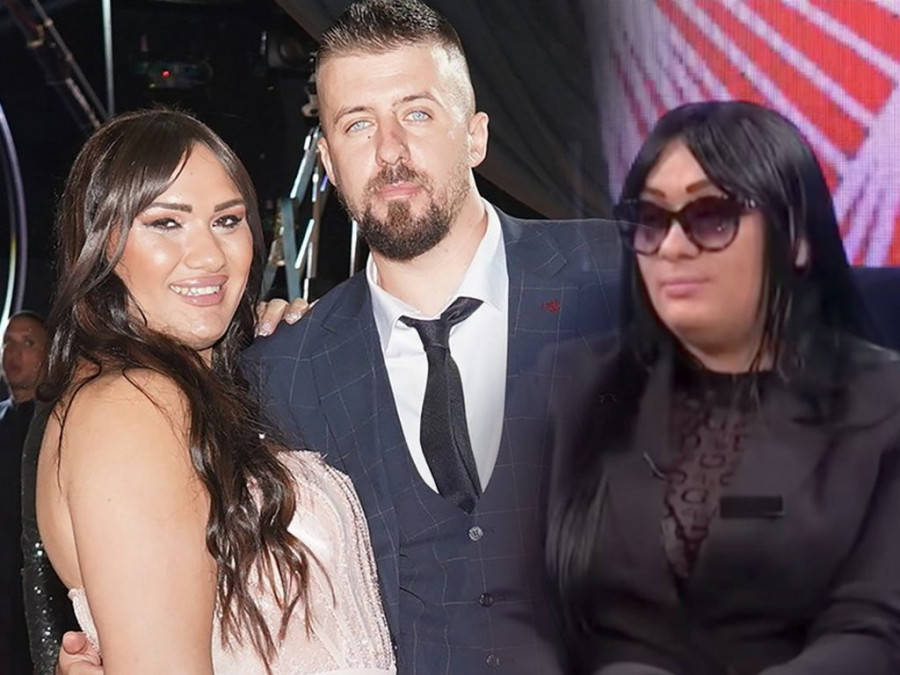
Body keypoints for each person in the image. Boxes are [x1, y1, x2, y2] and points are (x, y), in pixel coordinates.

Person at [53, 0, 621, 671]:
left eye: (417, 113)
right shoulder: (278, 374)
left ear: (476, 136)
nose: (390, 150)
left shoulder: (633, 278)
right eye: (358, 124)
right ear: (327, 157)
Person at [33, 107, 394, 674]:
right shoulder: (131, 407)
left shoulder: (196, 390)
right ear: (104, 242)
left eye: (227, 220)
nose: (209, 255)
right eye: (165, 223)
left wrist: (281, 353)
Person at [546, 101, 900, 674]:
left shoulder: (887, 405)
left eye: (710, 216)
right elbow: (507, 606)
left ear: (796, 239)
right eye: (651, 219)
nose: (671, 247)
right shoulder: (567, 386)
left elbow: (873, 631)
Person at [0, 311, 49, 673]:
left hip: (34, 585)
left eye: (27, 343)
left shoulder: (58, 424)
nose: (13, 353)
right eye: (8, 343)